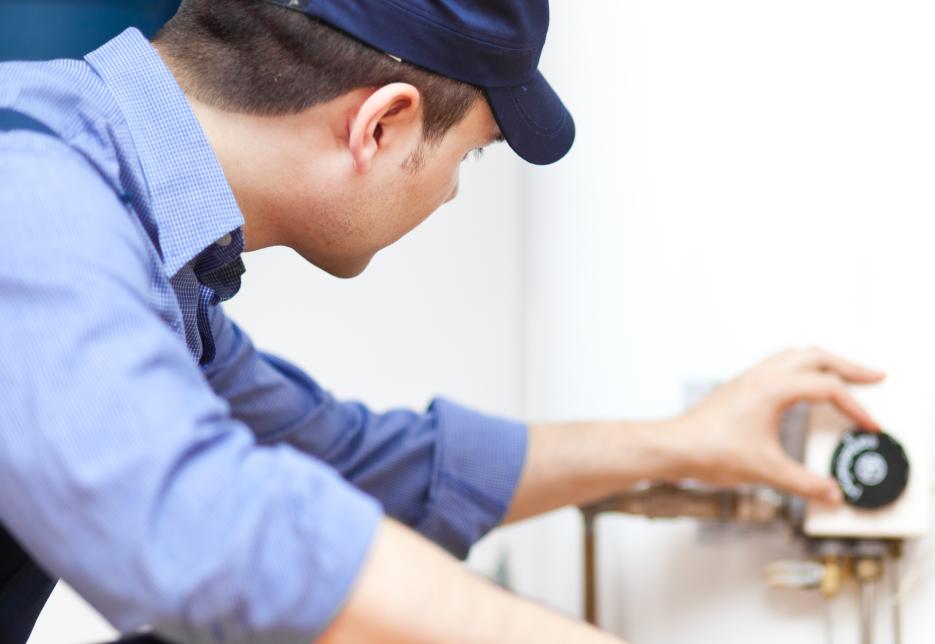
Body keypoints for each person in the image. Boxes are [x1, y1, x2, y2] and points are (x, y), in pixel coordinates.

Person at [0, 1, 884, 641]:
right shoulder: (33, 187)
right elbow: (204, 524)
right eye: (472, 155)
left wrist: (684, 443)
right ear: (382, 127)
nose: (454, 189)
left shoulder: (153, 249)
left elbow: (348, 464)